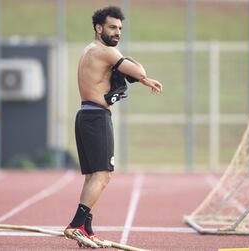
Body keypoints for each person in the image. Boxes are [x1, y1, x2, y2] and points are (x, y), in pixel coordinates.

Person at [64, 6, 163, 248]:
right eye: (112, 27)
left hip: (86, 115)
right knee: (103, 175)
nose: (117, 32)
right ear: (99, 28)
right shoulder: (106, 51)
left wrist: (142, 80)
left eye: (119, 28)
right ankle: (75, 225)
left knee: (92, 177)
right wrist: (142, 74)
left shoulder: (90, 50)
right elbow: (137, 70)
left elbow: (130, 75)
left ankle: (86, 230)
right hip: (97, 118)